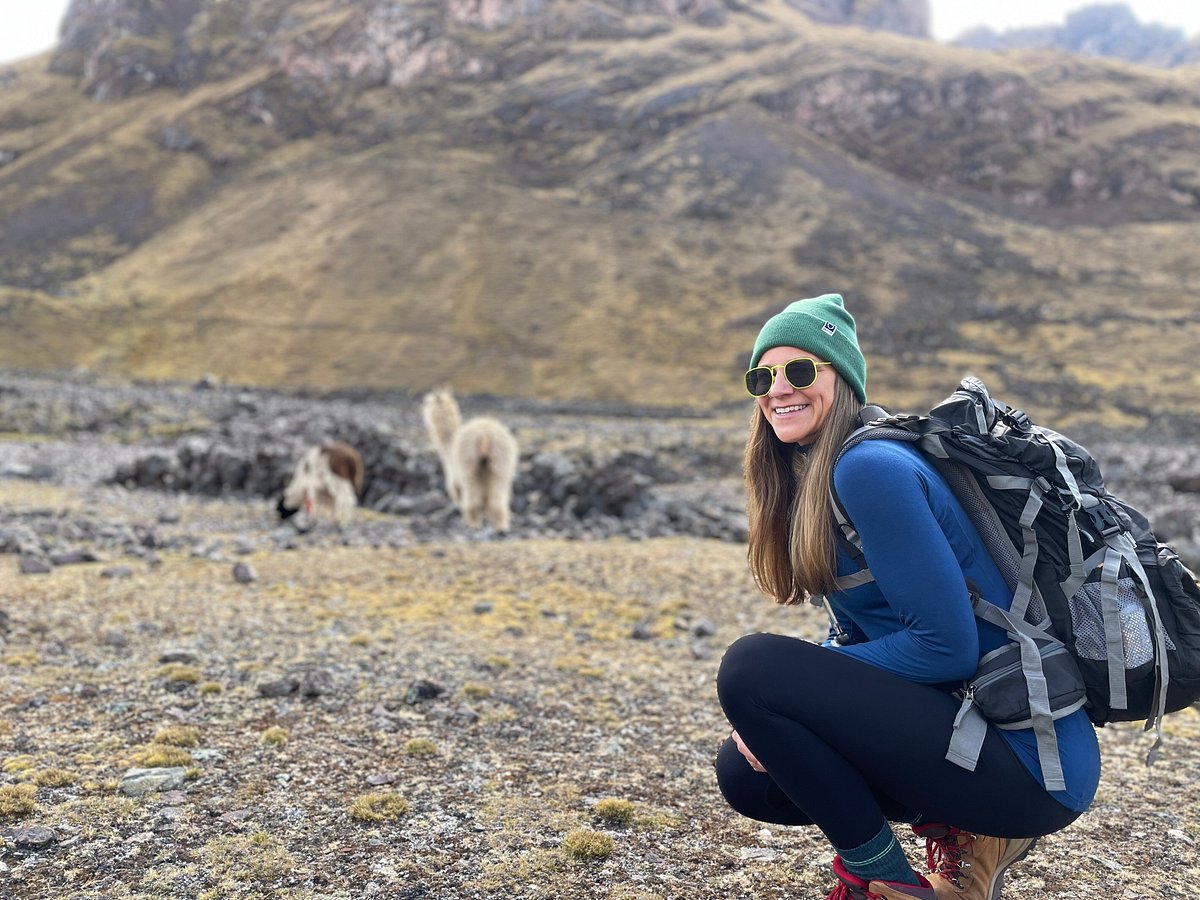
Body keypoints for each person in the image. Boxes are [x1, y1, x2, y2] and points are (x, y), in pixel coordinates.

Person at [714, 293, 1100, 900]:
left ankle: (882, 881)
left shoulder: (870, 469)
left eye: (799, 371)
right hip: (970, 734)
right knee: (747, 774)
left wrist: (794, 687)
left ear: (840, 379)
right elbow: (868, 637)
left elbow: (945, 648)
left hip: (1029, 762)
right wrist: (794, 697)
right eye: (762, 376)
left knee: (751, 669)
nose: (777, 389)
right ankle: (961, 829)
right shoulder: (817, 477)